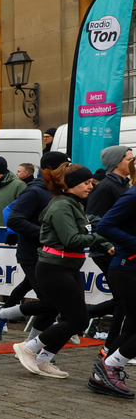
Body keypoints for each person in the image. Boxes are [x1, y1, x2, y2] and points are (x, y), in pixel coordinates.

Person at [13, 164, 113, 378]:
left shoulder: (74, 203)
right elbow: (72, 240)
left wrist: (105, 244)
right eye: (85, 183)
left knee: (75, 318)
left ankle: (44, 359)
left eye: (90, 182)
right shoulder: (62, 206)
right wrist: (98, 239)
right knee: (78, 320)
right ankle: (29, 347)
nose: (91, 187)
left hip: (68, 267)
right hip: (55, 268)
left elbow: (86, 231)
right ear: (70, 185)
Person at [0, 152, 69, 339]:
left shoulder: (59, 192)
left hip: (51, 255)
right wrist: (44, 234)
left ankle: (32, 346)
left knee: (51, 303)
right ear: (52, 170)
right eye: (65, 167)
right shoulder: (34, 191)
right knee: (50, 302)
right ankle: (1, 315)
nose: (68, 171)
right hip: (32, 255)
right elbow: (15, 219)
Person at [85, 145, 133, 354]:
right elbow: (93, 219)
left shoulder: (125, 185)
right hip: (109, 252)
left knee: (122, 302)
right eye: (129, 159)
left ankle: (112, 347)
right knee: (124, 303)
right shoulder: (106, 187)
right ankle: (112, 349)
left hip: (121, 250)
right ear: (117, 162)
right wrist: (109, 244)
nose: (133, 162)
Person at [93, 181, 136, 398]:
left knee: (131, 326)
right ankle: (110, 366)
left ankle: (103, 372)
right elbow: (105, 225)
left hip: (128, 267)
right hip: (127, 268)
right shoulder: (133, 195)